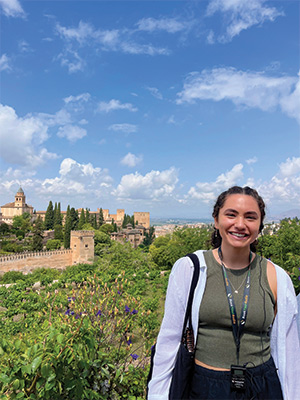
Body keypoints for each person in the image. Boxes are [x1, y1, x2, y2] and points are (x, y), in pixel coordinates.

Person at [147, 186, 300, 400]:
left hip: (262, 387)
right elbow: (169, 340)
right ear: (216, 220)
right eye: (231, 214)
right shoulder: (190, 269)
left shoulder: (277, 278)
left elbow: (289, 349)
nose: (240, 224)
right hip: (205, 387)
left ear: (260, 226)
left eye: (250, 217)